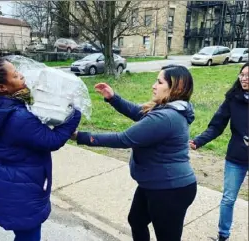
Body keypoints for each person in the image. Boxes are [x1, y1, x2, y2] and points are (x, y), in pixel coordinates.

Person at [0, 52, 81, 241]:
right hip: (22, 184)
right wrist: (75, 113)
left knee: (24, 234)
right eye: (15, 76)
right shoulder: (18, 117)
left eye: (18, 72)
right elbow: (52, 140)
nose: (21, 76)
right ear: (2, 87)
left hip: (10, 179)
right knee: (29, 235)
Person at [71, 65, 197, 241]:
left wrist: (79, 136)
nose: (154, 85)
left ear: (178, 87)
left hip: (170, 188)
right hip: (155, 183)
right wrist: (113, 98)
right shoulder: (166, 109)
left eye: (159, 82)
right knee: (137, 220)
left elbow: (123, 139)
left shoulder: (167, 117)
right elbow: (140, 112)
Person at [190, 63, 249, 241]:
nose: (244, 78)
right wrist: (198, 140)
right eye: (242, 75)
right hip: (237, 157)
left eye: (248, 75)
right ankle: (223, 235)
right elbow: (217, 125)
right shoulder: (233, 98)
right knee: (228, 199)